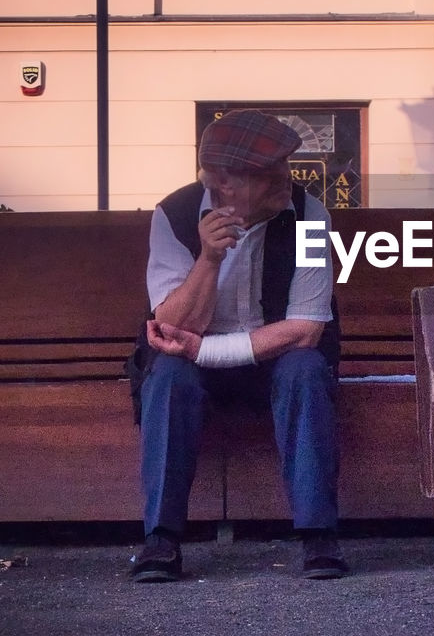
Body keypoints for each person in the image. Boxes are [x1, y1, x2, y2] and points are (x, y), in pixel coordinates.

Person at [129, 109, 346, 582]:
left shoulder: (311, 218)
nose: (285, 181)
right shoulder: (174, 216)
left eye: (286, 167)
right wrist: (208, 259)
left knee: (306, 368)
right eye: (268, 174)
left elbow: (306, 327)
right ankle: (160, 542)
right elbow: (169, 327)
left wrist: (204, 350)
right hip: (191, 366)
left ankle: (319, 537)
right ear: (224, 183)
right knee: (167, 374)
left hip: (275, 359)